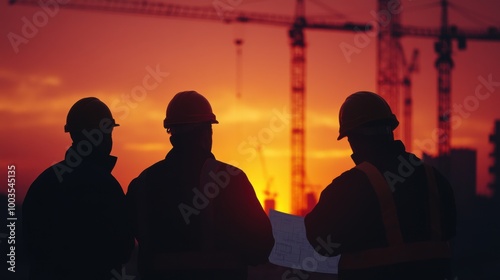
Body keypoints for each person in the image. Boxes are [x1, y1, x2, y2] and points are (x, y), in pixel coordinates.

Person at [304, 91, 456, 280]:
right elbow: (451, 229)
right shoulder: (435, 179)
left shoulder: (349, 188)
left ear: (353, 138)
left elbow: (321, 242)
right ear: (390, 130)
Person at [126, 90, 275, 280]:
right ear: (206, 133)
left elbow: (123, 247)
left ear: (171, 133)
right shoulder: (230, 180)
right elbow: (261, 248)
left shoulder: (142, 184)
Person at [23, 97, 134, 280]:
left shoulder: (43, 184)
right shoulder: (105, 186)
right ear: (103, 135)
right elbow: (122, 249)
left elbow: (31, 245)